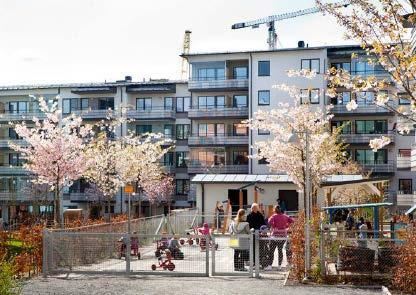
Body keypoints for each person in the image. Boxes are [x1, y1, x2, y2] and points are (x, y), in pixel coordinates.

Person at [267, 205, 294, 270]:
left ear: (275, 210)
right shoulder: (285, 216)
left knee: (271, 251)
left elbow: (269, 222)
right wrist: (287, 226)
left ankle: (270, 265)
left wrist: (273, 226)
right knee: (280, 251)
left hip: (275, 235)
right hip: (283, 235)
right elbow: (292, 221)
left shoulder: (274, 216)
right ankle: (279, 266)